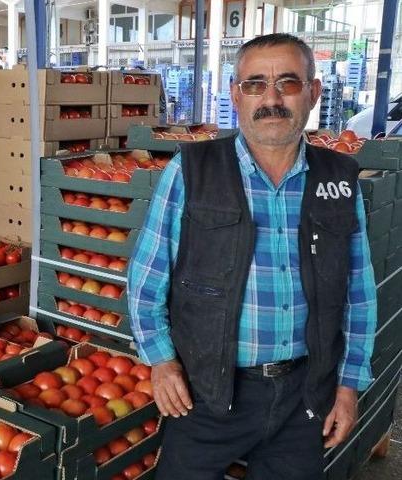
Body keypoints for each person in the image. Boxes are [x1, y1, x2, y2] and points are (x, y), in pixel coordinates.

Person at [127, 33, 377, 480]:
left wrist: (348, 385)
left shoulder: (338, 179)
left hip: (305, 395)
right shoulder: (190, 171)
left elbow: (358, 294)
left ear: (314, 92)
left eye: (289, 83)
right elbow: (147, 279)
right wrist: (161, 361)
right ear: (236, 95)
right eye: (256, 84)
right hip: (207, 391)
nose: (272, 98)